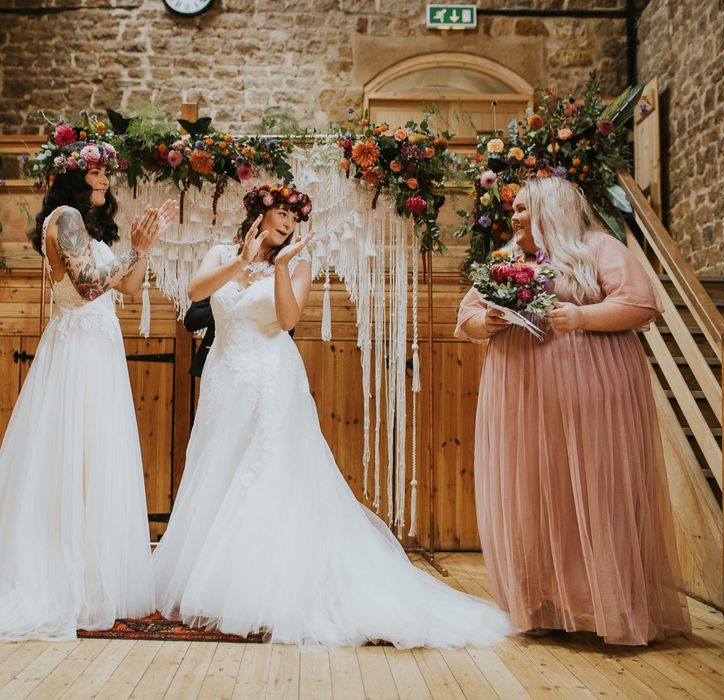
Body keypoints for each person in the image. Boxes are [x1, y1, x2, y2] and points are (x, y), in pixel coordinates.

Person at [154, 183, 512, 647]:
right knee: (219, 466)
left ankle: (265, 589)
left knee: (269, 472)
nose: (287, 222)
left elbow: (286, 320)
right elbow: (195, 290)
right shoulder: (221, 252)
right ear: (260, 213)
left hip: (271, 375)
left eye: (293, 217)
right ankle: (214, 579)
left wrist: (280, 268)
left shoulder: (299, 264)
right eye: (281, 212)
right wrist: (243, 260)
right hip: (225, 378)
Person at [455, 176, 691, 645]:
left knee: (597, 491)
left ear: (550, 209)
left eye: (522, 208)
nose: (514, 217)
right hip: (520, 398)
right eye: (514, 210)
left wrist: (582, 316)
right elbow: (466, 319)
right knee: (529, 494)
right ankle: (539, 605)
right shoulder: (504, 259)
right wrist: (490, 320)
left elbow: (641, 305)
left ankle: (606, 607)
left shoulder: (599, 248)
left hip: (593, 394)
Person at [0, 136, 177, 640]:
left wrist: (147, 246)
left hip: (99, 350)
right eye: (98, 174)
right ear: (75, 177)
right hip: (77, 350)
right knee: (71, 460)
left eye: (105, 175)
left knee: (96, 461)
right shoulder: (64, 219)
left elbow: (128, 286)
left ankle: (95, 580)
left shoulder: (86, 225)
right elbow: (88, 287)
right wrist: (134, 250)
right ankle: (63, 581)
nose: (105, 181)